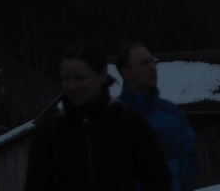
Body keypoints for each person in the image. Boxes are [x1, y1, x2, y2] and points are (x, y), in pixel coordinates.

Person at [24, 41, 171, 191]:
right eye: (65, 78)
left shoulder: (130, 124)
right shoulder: (49, 133)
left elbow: (157, 180)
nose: (71, 86)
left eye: (79, 78)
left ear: (102, 75)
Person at [114, 42, 197, 191]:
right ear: (127, 73)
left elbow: (189, 158)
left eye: (153, 61)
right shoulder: (113, 118)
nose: (152, 67)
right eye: (144, 63)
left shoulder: (173, 114)